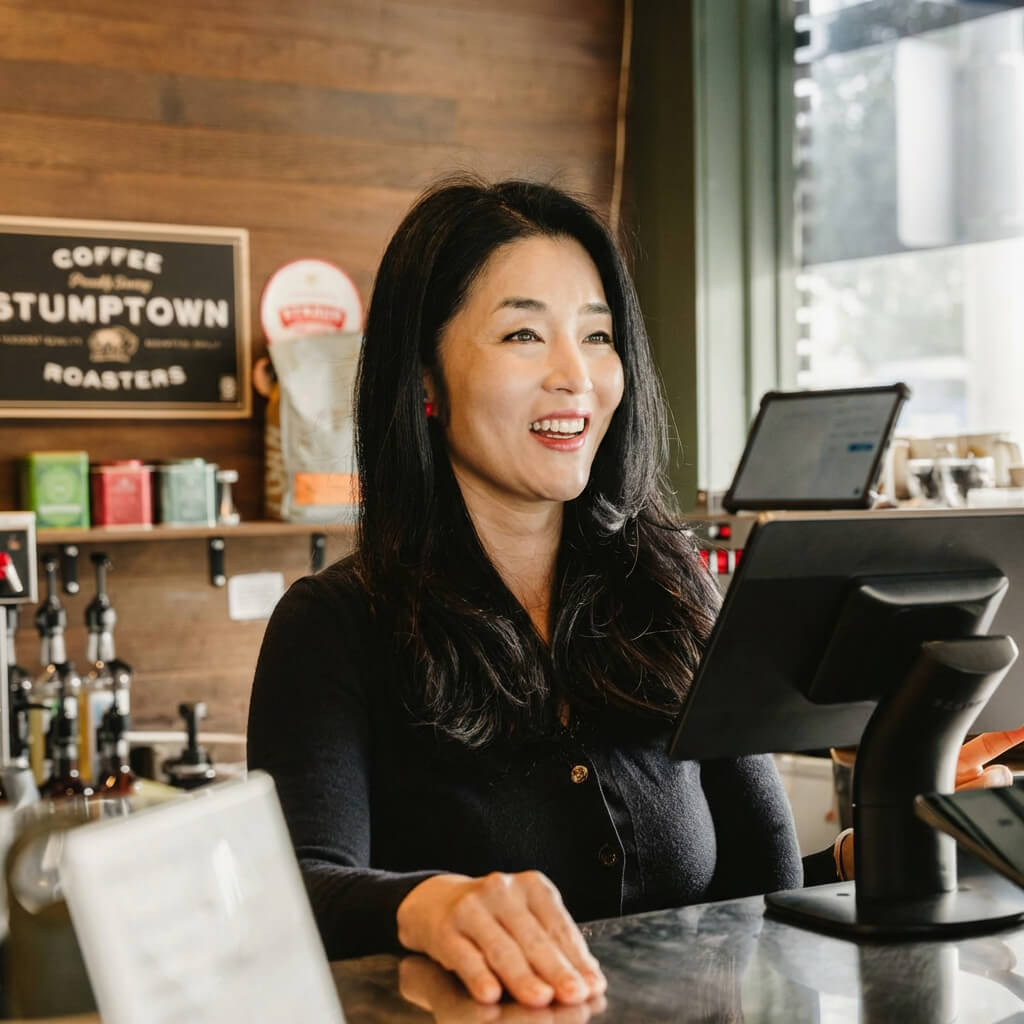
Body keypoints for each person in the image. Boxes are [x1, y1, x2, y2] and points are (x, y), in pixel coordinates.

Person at [247, 176, 1024, 1010]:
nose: (574, 375)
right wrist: (427, 904)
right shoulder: (336, 624)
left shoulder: (668, 591)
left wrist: (859, 860)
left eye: (598, 336)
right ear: (424, 381)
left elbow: (740, 896)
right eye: (521, 334)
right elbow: (297, 892)